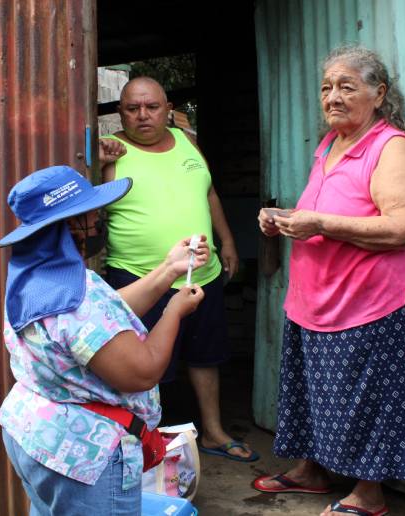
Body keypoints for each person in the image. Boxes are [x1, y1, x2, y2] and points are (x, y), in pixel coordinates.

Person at [252, 46, 405, 516]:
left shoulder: (389, 146)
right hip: (315, 302)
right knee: (316, 394)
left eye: (346, 87)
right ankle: (312, 471)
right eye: (327, 87)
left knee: (370, 402)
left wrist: (320, 224)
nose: (333, 97)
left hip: (373, 304)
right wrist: (284, 218)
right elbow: (328, 210)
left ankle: (368, 495)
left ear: (379, 93)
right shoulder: (330, 145)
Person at [0, 165, 208, 515]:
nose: (97, 219)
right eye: (88, 213)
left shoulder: (37, 276)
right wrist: (174, 311)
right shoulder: (77, 296)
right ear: (67, 226)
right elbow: (142, 372)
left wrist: (168, 269)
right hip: (83, 455)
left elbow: (102, 320)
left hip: (36, 434)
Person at [98, 76, 258, 462]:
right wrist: (96, 163)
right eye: (133, 108)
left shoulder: (187, 141)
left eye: (152, 107)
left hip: (201, 272)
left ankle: (213, 432)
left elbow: (208, 192)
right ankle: (148, 441)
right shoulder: (109, 151)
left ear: (168, 109)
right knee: (145, 363)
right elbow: (86, 208)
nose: (143, 115)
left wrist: (227, 241)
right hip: (139, 278)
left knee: (206, 353)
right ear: (120, 112)